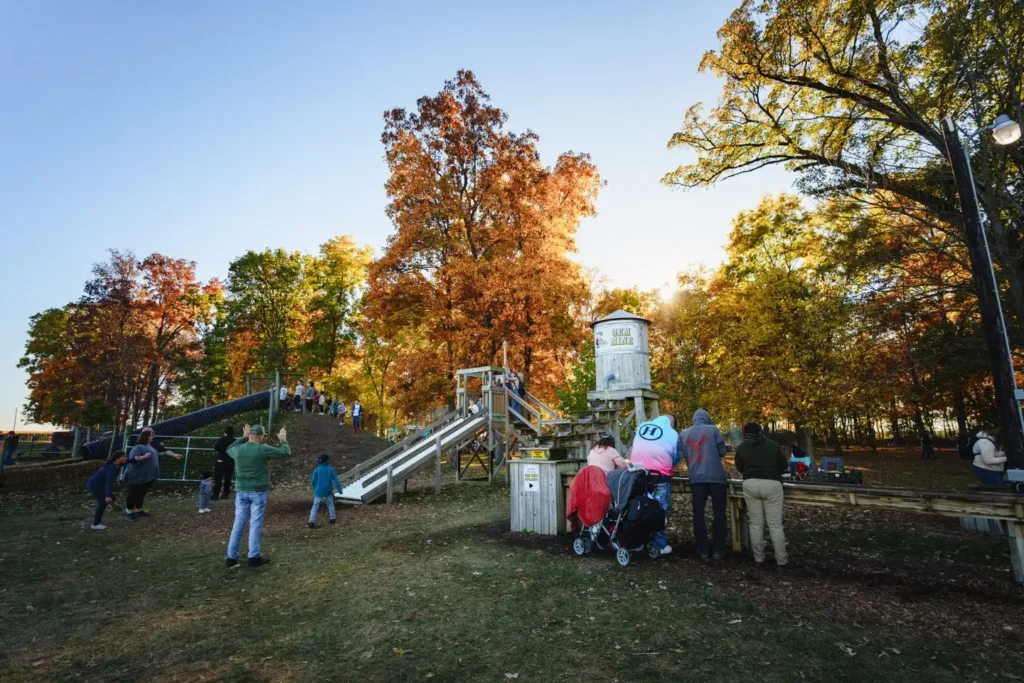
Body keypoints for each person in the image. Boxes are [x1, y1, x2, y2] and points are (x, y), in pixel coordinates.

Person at [225, 424, 291, 568]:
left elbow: (228, 448)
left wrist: (242, 437)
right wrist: (283, 439)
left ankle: (231, 557)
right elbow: (285, 452)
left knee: (238, 524)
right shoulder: (263, 449)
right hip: (258, 492)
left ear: (249, 435)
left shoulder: (237, 449)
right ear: (261, 437)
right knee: (255, 524)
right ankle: (253, 557)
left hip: (241, 491)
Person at [735, 422, 789, 572]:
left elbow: (740, 467)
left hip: (750, 484)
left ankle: (759, 559)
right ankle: (781, 561)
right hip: (772, 484)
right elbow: (783, 464)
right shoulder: (772, 445)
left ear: (745, 434)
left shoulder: (741, 448)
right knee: (775, 525)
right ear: (760, 432)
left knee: (756, 524)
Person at [678, 409, 728, 561]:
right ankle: (718, 548)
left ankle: (703, 548)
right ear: (707, 418)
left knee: (698, 513)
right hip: (716, 478)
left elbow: (681, 454)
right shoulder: (713, 430)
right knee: (719, 512)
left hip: (696, 478)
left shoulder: (683, 434)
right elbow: (722, 451)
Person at [627, 414, 679, 556]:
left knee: (639, 507)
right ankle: (660, 544)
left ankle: (638, 540)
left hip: (637, 474)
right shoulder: (673, 433)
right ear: (672, 424)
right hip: (659, 475)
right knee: (659, 509)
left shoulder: (642, 426)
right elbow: (675, 456)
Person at [123, 428, 182, 521]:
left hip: (148, 476)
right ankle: (129, 512)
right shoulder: (138, 447)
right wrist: (144, 457)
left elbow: (161, 452)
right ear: (146, 436)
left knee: (142, 493)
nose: (152, 436)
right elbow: (133, 460)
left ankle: (138, 510)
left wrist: (173, 455)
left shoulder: (150, 445)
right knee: (134, 493)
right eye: (151, 435)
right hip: (137, 475)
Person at [87, 451, 128, 530]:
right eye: (123, 457)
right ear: (117, 458)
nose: (125, 458)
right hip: (95, 486)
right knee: (103, 503)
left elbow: (128, 461)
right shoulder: (111, 468)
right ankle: (95, 524)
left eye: (125, 456)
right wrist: (107, 496)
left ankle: (112, 501)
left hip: (100, 485)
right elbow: (108, 483)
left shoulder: (117, 464)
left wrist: (137, 459)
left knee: (111, 497)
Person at [309, 453, 343, 528]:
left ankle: (311, 522)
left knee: (315, 506)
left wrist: (315, 488)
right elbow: (336, 480)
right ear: (327, 461)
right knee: (330, 504)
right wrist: (340, 489)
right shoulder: (330, 469)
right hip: (328, 490)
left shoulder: (317, 470)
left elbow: (313, 481)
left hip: (318, 491)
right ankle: (332, 518)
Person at [212, 426, 236, 500]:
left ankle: (215, 495)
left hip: (220, 461)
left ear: (225, 432)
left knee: (218, 478)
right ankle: (225, 494)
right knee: (228, 479)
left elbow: (216, 448)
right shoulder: (234, 441)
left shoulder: (221, 440)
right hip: (230, 462)